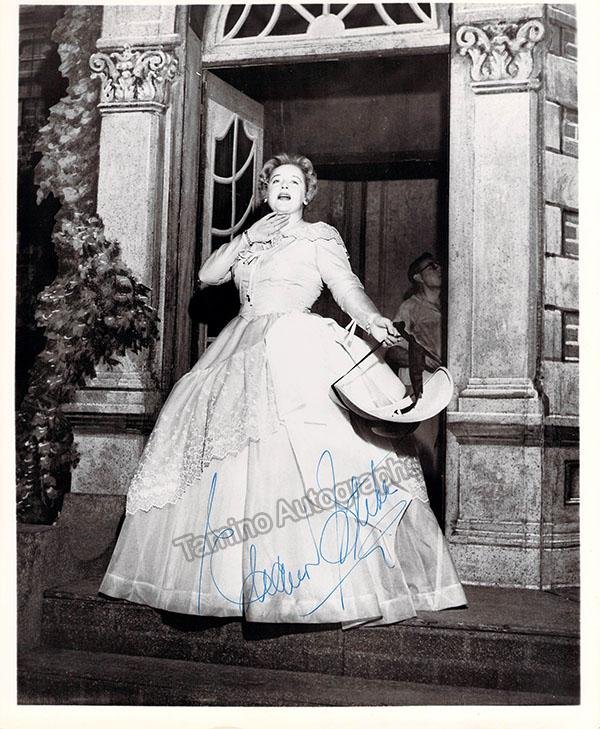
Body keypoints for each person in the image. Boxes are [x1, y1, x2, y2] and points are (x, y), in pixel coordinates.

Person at [99, 154, 466, 629]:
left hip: (297, 342)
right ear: (266, 192)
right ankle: (227, 584)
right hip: (240, 345)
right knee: (228, 457)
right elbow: (208, 276)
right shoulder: (251, 241)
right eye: (276, 181)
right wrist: (248, 237)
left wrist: (373, 320)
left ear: (307, 193)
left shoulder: (319, 236)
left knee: (302, 452)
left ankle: (314, 587)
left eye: (294, 182)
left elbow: (345, 287)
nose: (285, 187)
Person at [388, 252, 444, 518]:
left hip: (448, 385)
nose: (439, 268)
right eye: (431, 267)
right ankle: (421, 516)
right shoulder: (410, 307)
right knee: (423, 453)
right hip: (422, 387)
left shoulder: (451, 305)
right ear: (418, 277)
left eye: (439, 265)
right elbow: (393, 351)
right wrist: (421, 361)